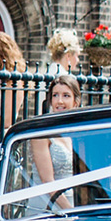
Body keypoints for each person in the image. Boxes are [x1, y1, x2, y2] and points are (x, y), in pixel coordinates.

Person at [30, 73, 84, 212]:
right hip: (46, 207)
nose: (59, 101)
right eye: (55, 95)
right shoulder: (42, 133)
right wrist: (70, 210)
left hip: (73, 204)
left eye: (66, 96)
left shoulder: (80, 134)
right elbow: (47, 181)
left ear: (76, 101)